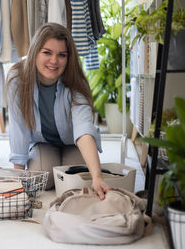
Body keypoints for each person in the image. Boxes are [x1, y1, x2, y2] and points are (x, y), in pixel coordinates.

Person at [6, 22, 111, 199]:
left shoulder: (76, 82)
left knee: (76, 183)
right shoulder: (17, 78)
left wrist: (97, 177)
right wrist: (18, 179)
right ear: (35, 52)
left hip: (73, 143)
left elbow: (84, 129)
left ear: (68, 58)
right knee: (40, 180)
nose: (54, 61)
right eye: (47, 52)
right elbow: (18, 129)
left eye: (61, 55)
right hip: (44, 142)